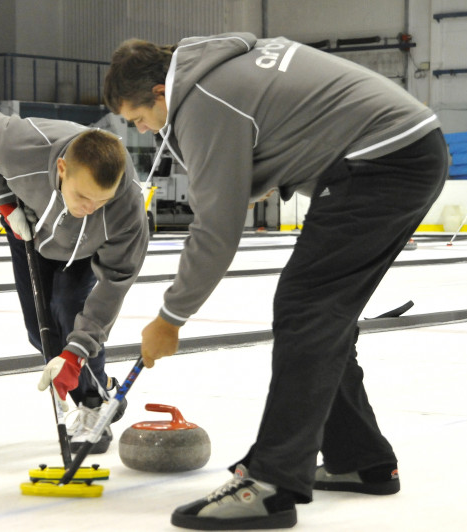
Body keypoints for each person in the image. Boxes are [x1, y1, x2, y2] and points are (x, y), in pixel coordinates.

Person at [104, 34, 448, 529]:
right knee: (324, 315)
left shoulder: (202, 100)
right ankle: (359, 459)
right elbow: (281, 130)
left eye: (138, 118)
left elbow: (216, 232)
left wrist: (170, 318)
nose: (142, 128)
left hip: (382, 161)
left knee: (304, 308)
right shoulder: (223, 65)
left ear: (161, 92)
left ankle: (269, 483)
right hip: (405, 150)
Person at [0, 110, 149, 453]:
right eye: (82, 197)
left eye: (101, 201)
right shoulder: (20, 145)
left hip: (83, 252)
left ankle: (95, 405)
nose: (91, 209)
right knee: (40, 333)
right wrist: (4, 201)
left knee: (70, 315)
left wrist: (78, 351)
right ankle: (105, 385)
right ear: (62, 170)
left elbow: (112, 287)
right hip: (30, 232)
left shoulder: (128, 210)